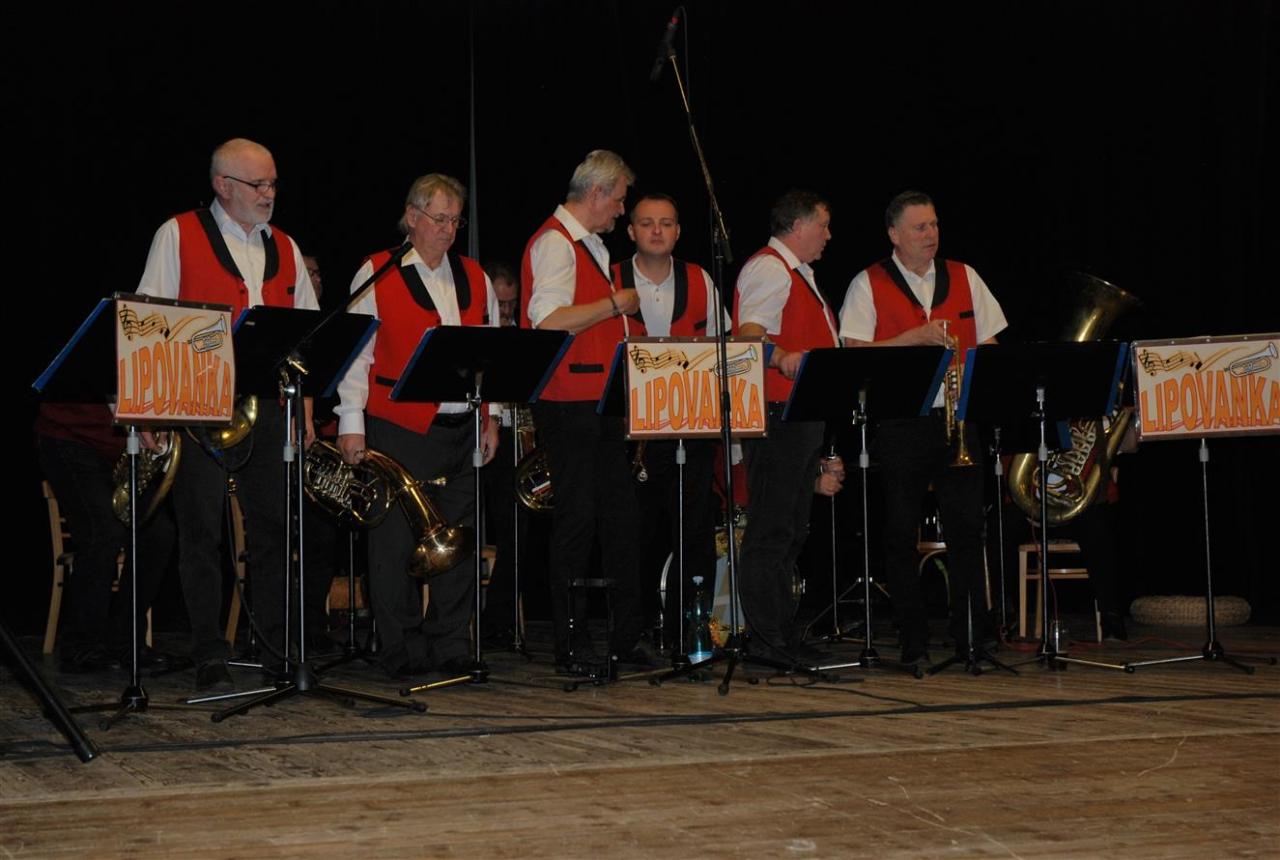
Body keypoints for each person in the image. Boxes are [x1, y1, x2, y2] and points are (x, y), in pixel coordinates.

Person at [137, 137, 318, 690]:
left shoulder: (285, 246)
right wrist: (151, 413)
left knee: (272, 531)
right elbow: (149, 321)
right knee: (200, 532)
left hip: (268, 408)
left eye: (273, 183)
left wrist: (306, 410)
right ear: (222, 185)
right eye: (257, 184)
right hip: (198, 403)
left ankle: (275, 650)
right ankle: (208, 651)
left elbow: (308, 334)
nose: (269, 193)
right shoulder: (177, 234)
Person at [335, 173, 500, 678]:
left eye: (455, 220)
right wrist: (351, 423)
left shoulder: (476, 277)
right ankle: (402, 648)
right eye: (439, 218)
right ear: (412, 217)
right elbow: (356, 355)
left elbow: (490, 352)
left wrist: (491, 416)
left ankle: (450, 642)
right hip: (397, 426)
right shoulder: (376, 272)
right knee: (393, 544)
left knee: (458, 540)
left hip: (462, 430)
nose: (448, 229)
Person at [839, 190, 1007, 663]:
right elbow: (852, 352)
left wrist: (975, 371)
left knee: (967, 530)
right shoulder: (867, 282)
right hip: (901, 424)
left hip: (957, 420)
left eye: (933, 224)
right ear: (894, 234)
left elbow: (991, 343)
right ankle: (912, 638)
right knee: (899, 532)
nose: (931, 234)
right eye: (920, 227)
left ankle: (970, 634)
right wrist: (911, 339)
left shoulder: (965, 276)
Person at [520, 149, 647, 674]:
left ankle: (622, 637)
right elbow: (547, 320)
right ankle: (570, 645)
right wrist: (616, 304)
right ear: (595, 193)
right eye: (618, 199)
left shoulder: (589, 244)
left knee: (618, 518)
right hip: (568, 401)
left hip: (598, 400)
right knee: (576, 520)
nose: (621, 209)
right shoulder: (555, 242)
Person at [733, 189, 843, 665]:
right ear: (798, 226)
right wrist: (782, 357)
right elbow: (748, 334)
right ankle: (769, 640)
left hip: (798, 415)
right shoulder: (770, 268)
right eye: (823, 225)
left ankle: (780, 634)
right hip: (777, 412)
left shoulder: (796, 272)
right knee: (773, 529)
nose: (828, 235)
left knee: (791, 528)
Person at [612, 192, 725, 652]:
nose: (656, 231)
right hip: (628, 431)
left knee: (695, 532)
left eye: (666, 223)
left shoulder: (700, 279)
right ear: (631, 231)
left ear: (678, 231)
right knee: (635, 533)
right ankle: (633, 632)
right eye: (646, 223)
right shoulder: (610, 278)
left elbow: (722, 347)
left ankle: (689, 632)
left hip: (690, 428)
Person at [34, 403, 176, 673]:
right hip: (71, 436)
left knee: (158, 534)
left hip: (123, 445)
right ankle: (81, 645)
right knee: (103, 532)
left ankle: (126, 642)